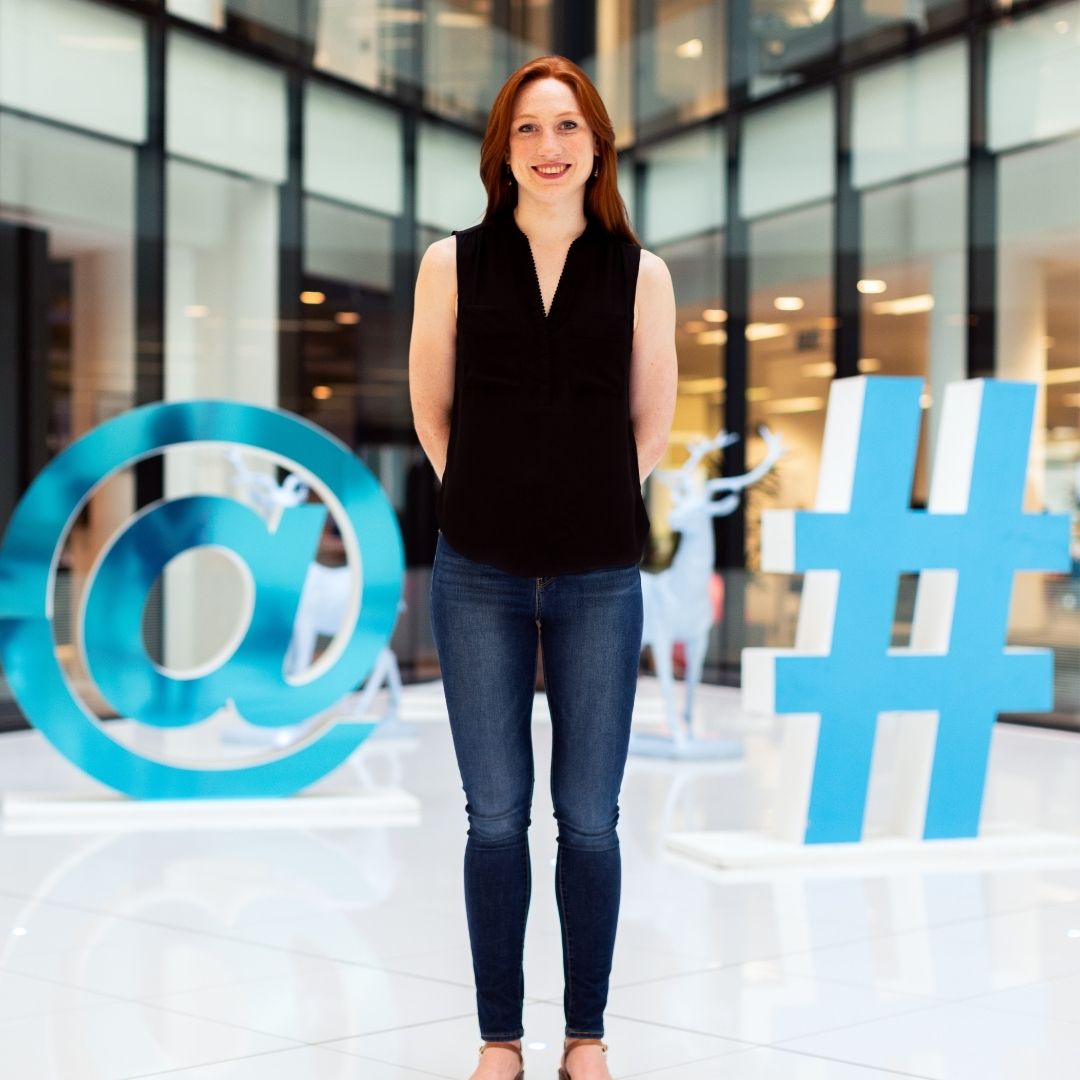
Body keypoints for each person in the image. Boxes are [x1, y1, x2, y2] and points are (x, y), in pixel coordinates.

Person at [409, 54, 677, 1080]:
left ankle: (586, 1036)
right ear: (502, 148)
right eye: (528, 129)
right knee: (492, 817)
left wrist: (588, 497)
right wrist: (478, 490)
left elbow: (648, 420)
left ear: (597, 143)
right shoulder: (453, 264)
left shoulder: (638, 272)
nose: (549, 147)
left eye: (566, 127)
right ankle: (499, 1039)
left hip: (601, 575)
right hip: (475, 567)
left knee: (593, 820)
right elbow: (433, 409)